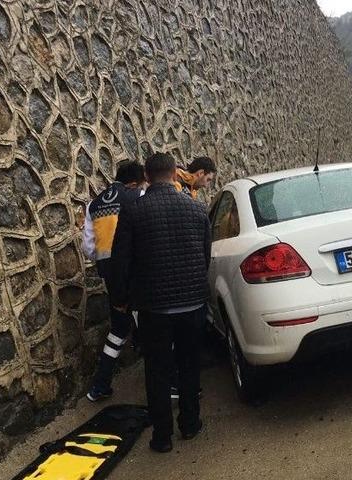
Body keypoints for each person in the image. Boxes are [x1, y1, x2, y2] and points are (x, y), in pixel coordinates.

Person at [109, 152, 212, 453]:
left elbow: (121, 260)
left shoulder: (134, 211)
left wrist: (121, 299)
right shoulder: (197, 209)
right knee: (190, 366)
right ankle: (190, 425)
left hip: (154, 308)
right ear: (173, 173)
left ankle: (162, 437)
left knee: (157, 371)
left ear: (148, 176)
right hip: (193, 304)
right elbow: (205, 255)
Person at [82, 160, 145, 402]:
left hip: (111, 277)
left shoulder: (93, 205)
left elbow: (88, 248)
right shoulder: (137, 196)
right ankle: (166, 384)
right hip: (136, 273)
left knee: (118, 329)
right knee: (151, 328)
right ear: (133, 183)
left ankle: (99, 385)